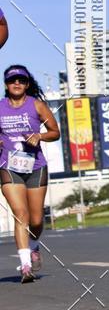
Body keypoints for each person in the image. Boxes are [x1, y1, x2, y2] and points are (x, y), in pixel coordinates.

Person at [0, 65, 60, 283]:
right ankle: (25, 265)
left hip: (36, 167)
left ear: (27, 84)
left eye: (21, 80)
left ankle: (34, 245)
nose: (17, 84)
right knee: (20, 214)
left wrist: (40, 137)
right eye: (12, 80)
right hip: (8, 167)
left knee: (35, 220)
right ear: (6, 84)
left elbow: (56, 132)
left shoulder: (37, 105)